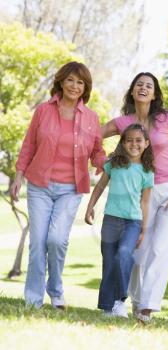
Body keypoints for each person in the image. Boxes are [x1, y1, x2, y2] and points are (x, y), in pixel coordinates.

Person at [10, 61, 106, 309]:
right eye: (71, 80)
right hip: (39, 185)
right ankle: (33, 300)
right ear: (61, 82)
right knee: (38, 241)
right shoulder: (43, 110)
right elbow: (29, 144)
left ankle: (55, 290)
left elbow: (97, 149)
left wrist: (102, 163)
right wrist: (19, 175)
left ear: (85, 87)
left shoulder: (91, 118)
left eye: (80, 82)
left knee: (56, 240)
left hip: (71, 189)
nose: (75, 86)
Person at [102, 72, 168, 322]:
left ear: (155, 94)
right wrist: (102, 158)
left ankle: (147, 308)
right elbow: (93, 135)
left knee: (161, 249)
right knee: (138, 250)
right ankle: (135, 302)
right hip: (143, 193)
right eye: (139, 84)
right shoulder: (123, 122)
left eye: (148, 86)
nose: (143, 88)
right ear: (132, 91)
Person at [85, 124, 154, 318]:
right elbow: (99, 187)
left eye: (139, 140)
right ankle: (108, 307)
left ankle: (120, 300)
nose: (134, 144)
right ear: (123, 143)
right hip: (110, 221)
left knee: (123, 254)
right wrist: (90, 207)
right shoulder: (113, 164)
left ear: (146, 144)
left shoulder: (147, 171)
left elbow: (146, 202)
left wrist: (143, 229)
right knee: (109, 262)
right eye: (129, 140)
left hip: (132, 222)